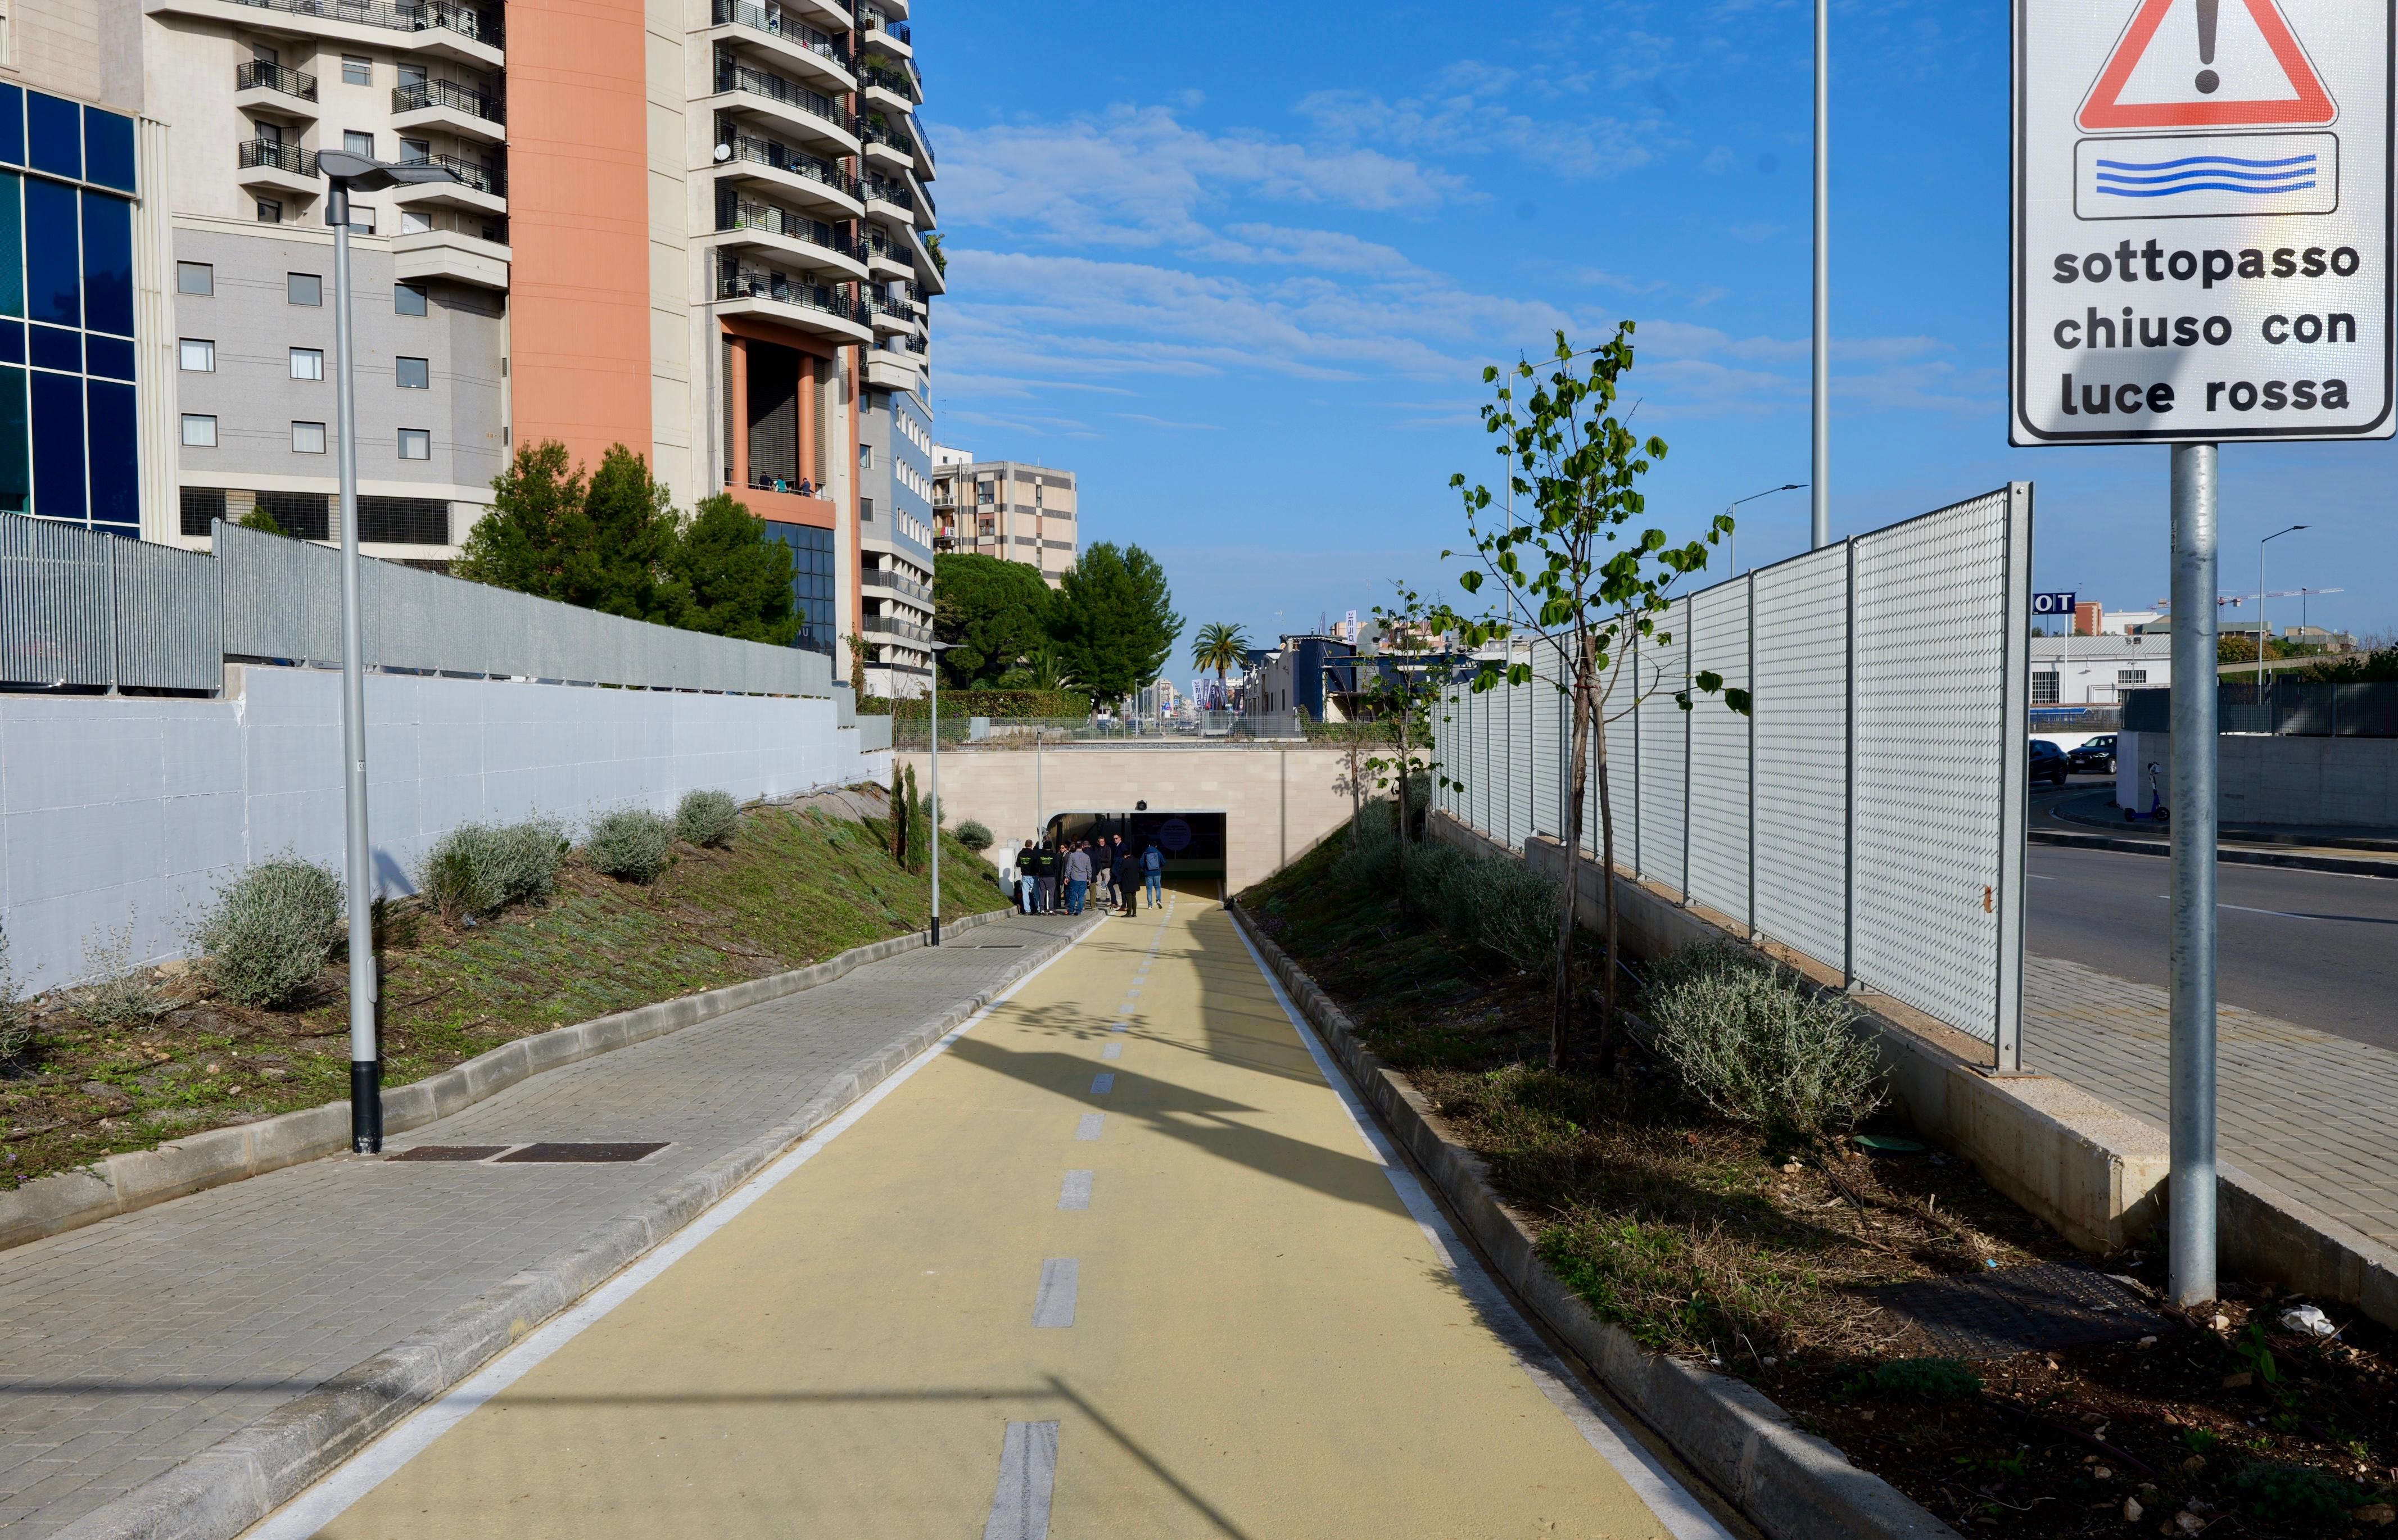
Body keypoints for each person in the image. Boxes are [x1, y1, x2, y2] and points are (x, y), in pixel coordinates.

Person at [1112, 839, 1139, 919]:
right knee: (1134, 897)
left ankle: (1129, 913)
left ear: (1125, 856)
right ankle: (1134, 913)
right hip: (1135, 881)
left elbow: (1121, 871)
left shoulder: (1126, 861)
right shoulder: (1136, 861)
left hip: (1127, 882)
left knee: (1128, 897)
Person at [1064, 841, 1092, 915]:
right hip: (1083, 878)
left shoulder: (1072, 856)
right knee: (1081, 896)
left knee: (1073, 895)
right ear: (1082, 847)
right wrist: (1089, 878)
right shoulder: (1086, 856)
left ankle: (1071, 910)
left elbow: (1069, 867)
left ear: (1076, 847)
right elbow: (1089, 869)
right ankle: (1079, 911)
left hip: (1074, 877)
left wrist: (1067, 876)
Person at [1035, 839, 1058, 914]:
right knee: (1051, 894)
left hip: (1042, 876)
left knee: (1042, 893)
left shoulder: (1040, 856)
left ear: (1044, 847)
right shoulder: (1054, 856)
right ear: (1051, 847)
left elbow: (1037, 866)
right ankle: (1051, 910)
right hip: (1051, 876)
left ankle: (1042, 910)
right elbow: (1057, 866)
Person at [1015, 840, 1037, 914]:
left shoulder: (1020, 854)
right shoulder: (1033, 854)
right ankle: (1039, 909)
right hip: (1033, 876)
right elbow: (1036, 865)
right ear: (1031, 845)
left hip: (1024, 876)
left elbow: (1018, 865)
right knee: (1036, 893)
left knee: (1025, 894)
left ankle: (1027, 910)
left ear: (1025, 845)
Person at [1143, 840, 1164, 907]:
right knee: (1158, 887)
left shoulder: (1145, 853)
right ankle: (1158, 900)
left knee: (1149, 889)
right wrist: (1159, 867)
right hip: (1157, 873)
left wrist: (1146, 868)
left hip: (1148, 874)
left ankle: (1150, 905)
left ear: (1149, 845)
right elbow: (1164, 862)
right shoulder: (1158, 853)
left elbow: (1141, 863)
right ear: (1156, 846)